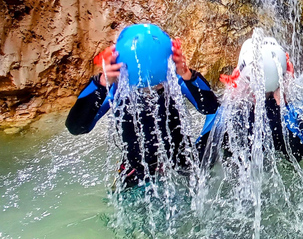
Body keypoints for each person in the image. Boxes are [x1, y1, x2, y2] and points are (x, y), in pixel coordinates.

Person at [66, 24, 219, 187]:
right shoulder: (115, 88)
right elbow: (77, 127)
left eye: (156, 86)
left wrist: (187, 74)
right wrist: (101, 84)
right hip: (137, 170)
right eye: (143, 88)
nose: (150, 90)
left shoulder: (177, 79)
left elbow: (211, 108)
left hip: (181, 162)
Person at [197, 34, 303, 166]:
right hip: (266, 170)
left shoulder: (232, 112)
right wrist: (282, 102)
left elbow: (201, 159)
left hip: (237, 172)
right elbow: (298, 154)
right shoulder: (280, 111)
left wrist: (229, 99)